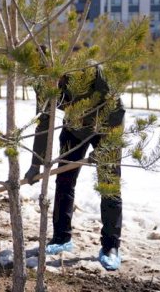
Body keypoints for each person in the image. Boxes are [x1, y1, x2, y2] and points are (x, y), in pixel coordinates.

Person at [25, 55, 125, 271]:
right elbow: (43, 122)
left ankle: (111, 246)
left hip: (107, 127)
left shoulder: (91, 71)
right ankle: (61, 238)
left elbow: (117, 109)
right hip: (74, 128)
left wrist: (106, 147)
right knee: (64, 181)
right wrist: (36, 164)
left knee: (109, 188)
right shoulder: (42, 83)